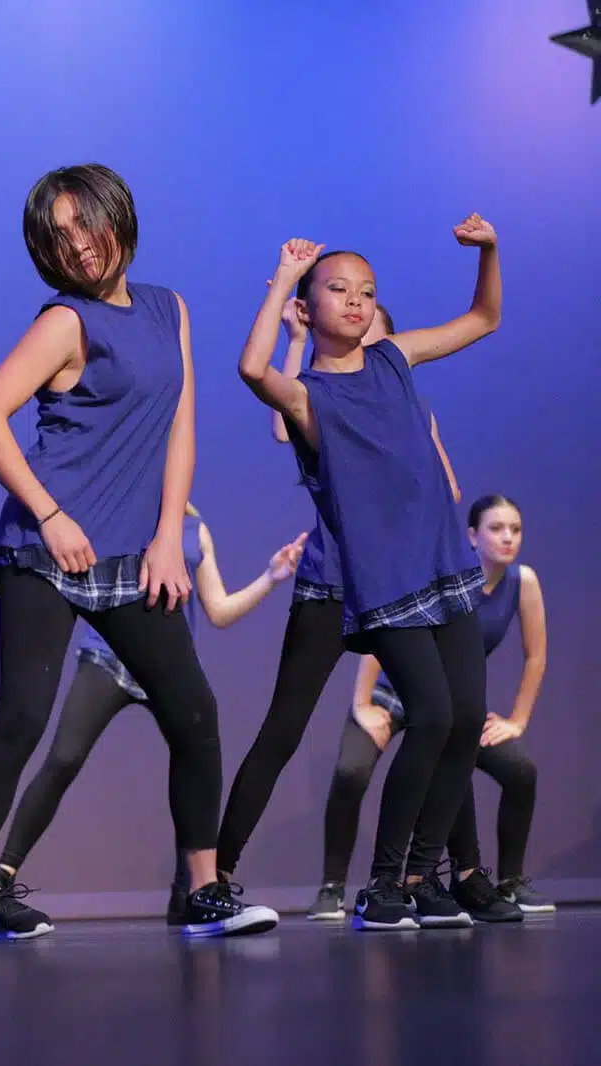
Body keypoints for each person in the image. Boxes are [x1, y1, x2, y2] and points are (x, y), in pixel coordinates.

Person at [0, 163, 279, 942]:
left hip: (135, 555)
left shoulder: (170, 311)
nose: (77, 246)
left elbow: (181, 427)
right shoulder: (65, 321)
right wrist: (50, 514)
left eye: (84, 225)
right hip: (45, 550)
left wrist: (171, 536)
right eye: (57, 236)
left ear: (116, 216)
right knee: (22, 720)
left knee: (194, 713)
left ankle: (203, 891)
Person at [237, 217, 502, 931]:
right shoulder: (307, 396)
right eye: (339, 290)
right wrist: (285, 282)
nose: (356, 302)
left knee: (466, 718)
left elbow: (484, 317)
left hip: (446, 566)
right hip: (386, 585)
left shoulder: (392, 358)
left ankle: (423, 876)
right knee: (435, 715)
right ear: (310, 306)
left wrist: (489, 252)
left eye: (367, 292)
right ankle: (383, 884)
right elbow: (254, 370)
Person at [215, 300, 462, 884]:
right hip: (332, 583)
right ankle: (214, 873)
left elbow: (446, 489)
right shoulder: (316, 391)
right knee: (284, 728)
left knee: (439, 717)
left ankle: (438, 872)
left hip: (398, 587)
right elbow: (282, 421)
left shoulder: (407, 406)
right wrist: (295, 339)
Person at [0, 503, 306, 924]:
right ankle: (3, 877)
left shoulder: (197, 529)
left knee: (195, 755)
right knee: (63, 759)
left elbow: (218, 610)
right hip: (109, 660)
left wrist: (272, 577)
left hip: (165, 668)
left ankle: (191, 892)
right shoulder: (120, 505)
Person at [316, 494, 549, 923]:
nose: (508, 538)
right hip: (394, 692)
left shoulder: (522, 582)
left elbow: (536, 655)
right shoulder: (446, 572)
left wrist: (517, 720)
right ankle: (335, 887)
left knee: (510, 766)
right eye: (497, 528)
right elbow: (389, 631)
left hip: (450, 697)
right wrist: (362, 703)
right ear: (472, 536)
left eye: (515, 529)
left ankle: (485, 878)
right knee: (352, 771)